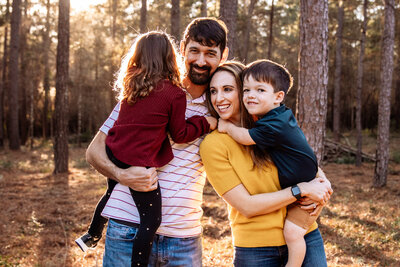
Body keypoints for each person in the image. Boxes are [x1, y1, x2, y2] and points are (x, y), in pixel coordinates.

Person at [84, 17, 229, 266]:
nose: (201, 61)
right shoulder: (144, 89)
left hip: (183, 237)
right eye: (194, 50)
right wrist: (122, 175)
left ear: (223, 55)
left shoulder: (223, 104)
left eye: (210, 53)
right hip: (127, 228)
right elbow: (94, 151)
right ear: (182, 48)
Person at [200, 61, 333, 266]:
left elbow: (301, 158)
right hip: (256, 250)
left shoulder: (269, 123)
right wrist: (303, 189)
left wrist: (322, 185)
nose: (219, 98)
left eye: (228, 89)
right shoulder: (214, 144)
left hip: (305, 236)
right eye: (213, 91)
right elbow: (247, 206)